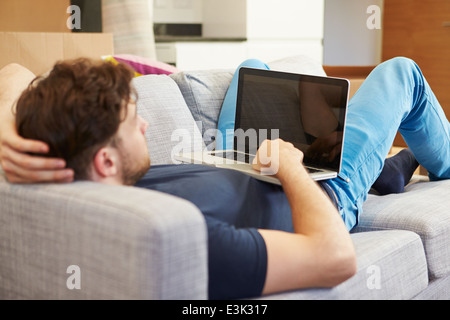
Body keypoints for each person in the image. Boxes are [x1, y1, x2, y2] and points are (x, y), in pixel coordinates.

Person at [0, 56, 448, 299]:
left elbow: (14, 72)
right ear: (105, 163)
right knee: (401, 72)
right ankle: (394, 166)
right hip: (321, 194)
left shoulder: (65, 177)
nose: (146, 127)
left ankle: (383, 168)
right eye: (132, 123)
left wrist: (7, 120)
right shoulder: (180, 238)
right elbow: (334, 258)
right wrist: (291, 167)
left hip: (235, 160)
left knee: (253, 67)